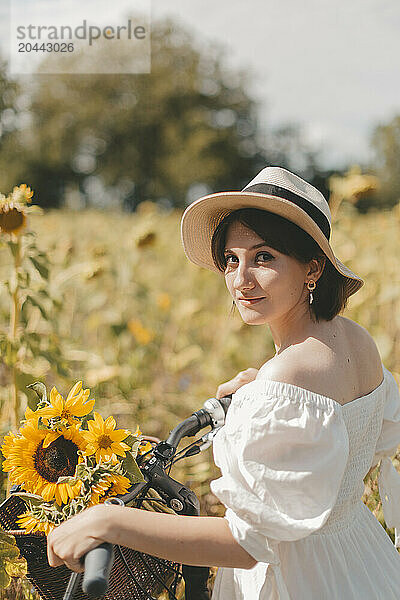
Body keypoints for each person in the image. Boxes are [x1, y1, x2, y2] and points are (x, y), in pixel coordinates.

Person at [47, 166, 400, 599]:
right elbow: (362, 431)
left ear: (312, 268)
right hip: (359, 561)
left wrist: (109, 522)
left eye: (264, 257)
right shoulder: (355, 339)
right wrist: (263, 390)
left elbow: (247, 544)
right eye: (232, 260)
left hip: (297, 581)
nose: (240, 280)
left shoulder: (288, 377)